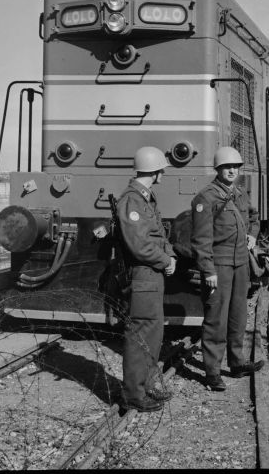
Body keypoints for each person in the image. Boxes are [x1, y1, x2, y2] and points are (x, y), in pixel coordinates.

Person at [191, 147, 263, 392]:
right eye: (226, 167)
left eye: (235, 167)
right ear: (218, 170)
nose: (232, 171)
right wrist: (208, 270)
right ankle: (212, 372)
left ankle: (237, 362)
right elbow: (201, 239)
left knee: (238, 316)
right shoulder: (206, 198)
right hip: (219, 265)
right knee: (216, 320)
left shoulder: (239, 193)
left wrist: (252, 235)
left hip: (240, 262)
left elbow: (254, 217)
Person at [117, 146, 177, 412]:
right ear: (155, 171)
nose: (164, 173)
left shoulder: (145, 199)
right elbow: (139, 245)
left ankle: (147, 386)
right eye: (162, 169)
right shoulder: (133, 200)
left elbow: (158, 236)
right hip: (143, 274)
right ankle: (134, 394)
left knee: (153, 332)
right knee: (141, 334)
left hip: (151, 274)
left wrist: (170, 255)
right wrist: (166, 261)